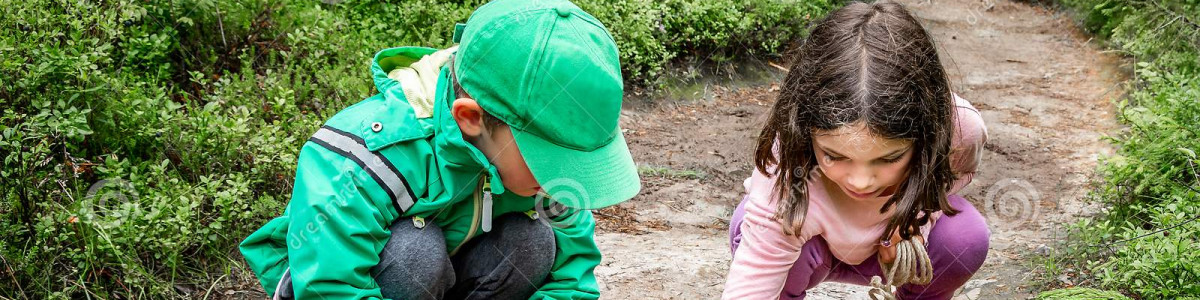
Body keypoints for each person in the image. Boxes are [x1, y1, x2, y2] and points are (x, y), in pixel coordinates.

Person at [239, 0, 641, 298]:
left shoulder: (547, 176)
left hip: (452, 273)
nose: (565, 177)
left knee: (532, 240)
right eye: (551, 159)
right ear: (470, 118)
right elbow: (329, 286)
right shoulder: (366, 155)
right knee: (415, 251)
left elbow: (572, 280)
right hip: (363, 284)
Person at [722, 1, 991, 299]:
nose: (860, 182)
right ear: (805, 128)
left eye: (890, 158)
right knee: (752, 225)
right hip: (811, 250)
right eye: (834, 156)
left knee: (965, 237)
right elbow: (753, 278)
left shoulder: (960, 131)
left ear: (928, 132)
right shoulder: (787, 157)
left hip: (894, 255)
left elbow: (946, 178)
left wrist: (916, 219)